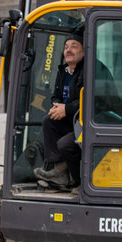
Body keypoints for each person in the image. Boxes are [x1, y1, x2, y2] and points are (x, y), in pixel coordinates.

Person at [33, 33, 85, 188]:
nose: (69, 50)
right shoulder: (64, 71)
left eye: (74, 46)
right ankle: (60, 172)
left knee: (65, 144)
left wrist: (67, 109)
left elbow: (92, 100)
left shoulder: (91, 70)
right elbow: (56, 95)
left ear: (84, 51)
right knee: (49, 121)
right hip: (72, 119)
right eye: (66, 47)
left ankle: (79, 182)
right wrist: (56, 105)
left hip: (88, 122)